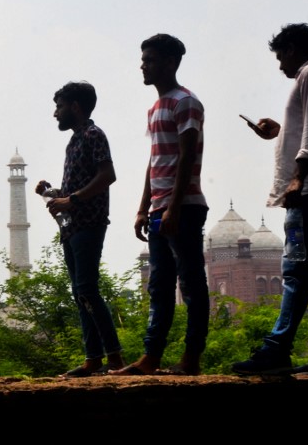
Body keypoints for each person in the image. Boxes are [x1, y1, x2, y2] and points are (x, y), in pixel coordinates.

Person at [233, 24, 308, 377]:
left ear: (294, 48)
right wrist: (280, 132)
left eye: (281, 54)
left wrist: (298, 178)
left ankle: (292, 350)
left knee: (302, 272)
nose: (280, 63)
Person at [113, 34, 209, 376]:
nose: (143, 64)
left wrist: (173, 206)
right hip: (160, 209)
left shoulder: (186, 102)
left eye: (150, 59)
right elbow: (155, 161)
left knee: (191, 283)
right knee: (159, 285)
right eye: (143, 59)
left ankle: (190, 359)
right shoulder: (155, 108)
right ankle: (151, 356)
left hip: (183, 207)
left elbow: (186, 157)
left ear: (170, 62)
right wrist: (144, 207)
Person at [36, 82, 123, 377]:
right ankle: (93, 358)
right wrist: (52, 192)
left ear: (74, 107)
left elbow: (107, 175)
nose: (55, 114)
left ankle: (114, 358)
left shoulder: (93, 135)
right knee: (79, 292)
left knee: (87, 289)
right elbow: (77, 189)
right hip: (73, 226)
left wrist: (70, 199)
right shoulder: (74, 141)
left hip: (89, 223)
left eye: (59, 107)